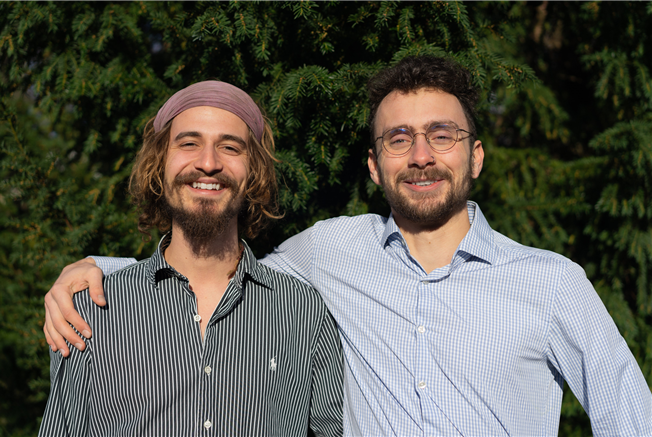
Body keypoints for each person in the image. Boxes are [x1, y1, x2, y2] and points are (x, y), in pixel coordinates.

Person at [44, 57, 652, 436]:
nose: (421, 155)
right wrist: (101, 271)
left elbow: (630, 416)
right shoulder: (334, 252)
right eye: (399, 138)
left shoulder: (551, 282)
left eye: (442, 135)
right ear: (373, 164)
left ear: (476, 156)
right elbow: (216, 269)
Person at [39, 81, 344, 437]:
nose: (208, 163)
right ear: (160, 162)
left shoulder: (302, 310)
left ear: (254, 171)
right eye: (188, 143)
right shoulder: (90, 309)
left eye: (230, 147)